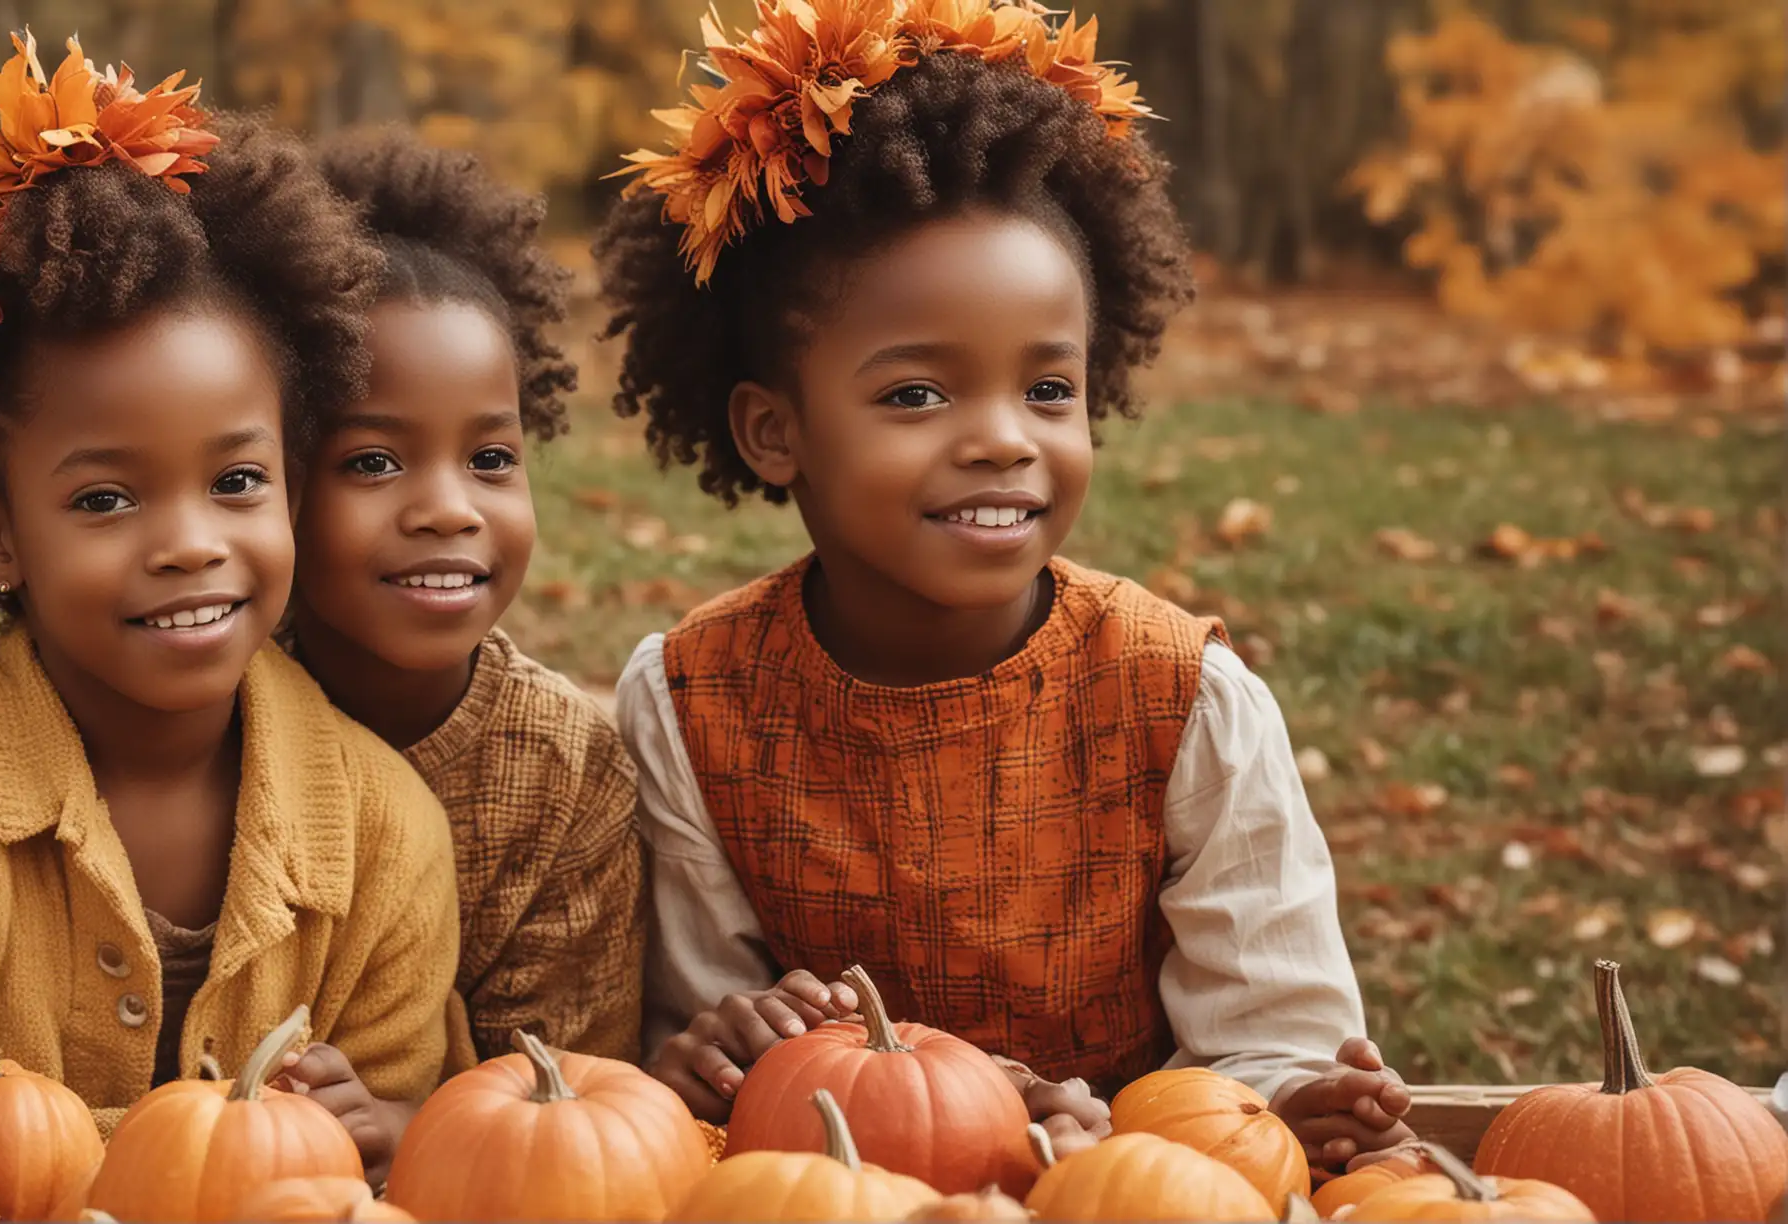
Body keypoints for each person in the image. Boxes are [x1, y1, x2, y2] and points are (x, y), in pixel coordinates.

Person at [594, 0, 1414, 1174]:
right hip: (834, 1184)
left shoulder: (1185, 700)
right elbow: (703, 1062)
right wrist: (723, 1045)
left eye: (1048, 390)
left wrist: (1177, 1126)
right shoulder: (691, 702)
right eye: (918, 395)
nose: (1002, 441)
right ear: (775, 432)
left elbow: (1271, 1051)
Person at [0, 32, 459, 1136]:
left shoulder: (385, 837)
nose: (188, 543)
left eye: (236, 480)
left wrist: (381, 1125)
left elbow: (426, 1158)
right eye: (106, 501)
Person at [273, 129, 646, 1184]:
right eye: (375, 461)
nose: (447, 509)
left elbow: (571, 1091)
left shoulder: (568, 771)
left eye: (490, 459)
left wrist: (414, 1117)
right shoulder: (206, 704)